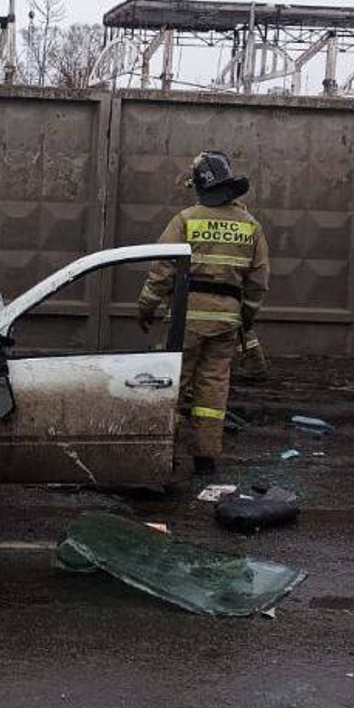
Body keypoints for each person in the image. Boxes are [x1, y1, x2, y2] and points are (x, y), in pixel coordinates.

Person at [135, 151, 270, 476]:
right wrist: (245, 318)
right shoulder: (250, 226)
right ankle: (205, 459)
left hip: (186, 319)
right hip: (226, 322)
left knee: (173, 385)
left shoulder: (185, 219)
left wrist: (146, 307)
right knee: (212, 390)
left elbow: (162, 270)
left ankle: (165, 452)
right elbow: (258, 281)